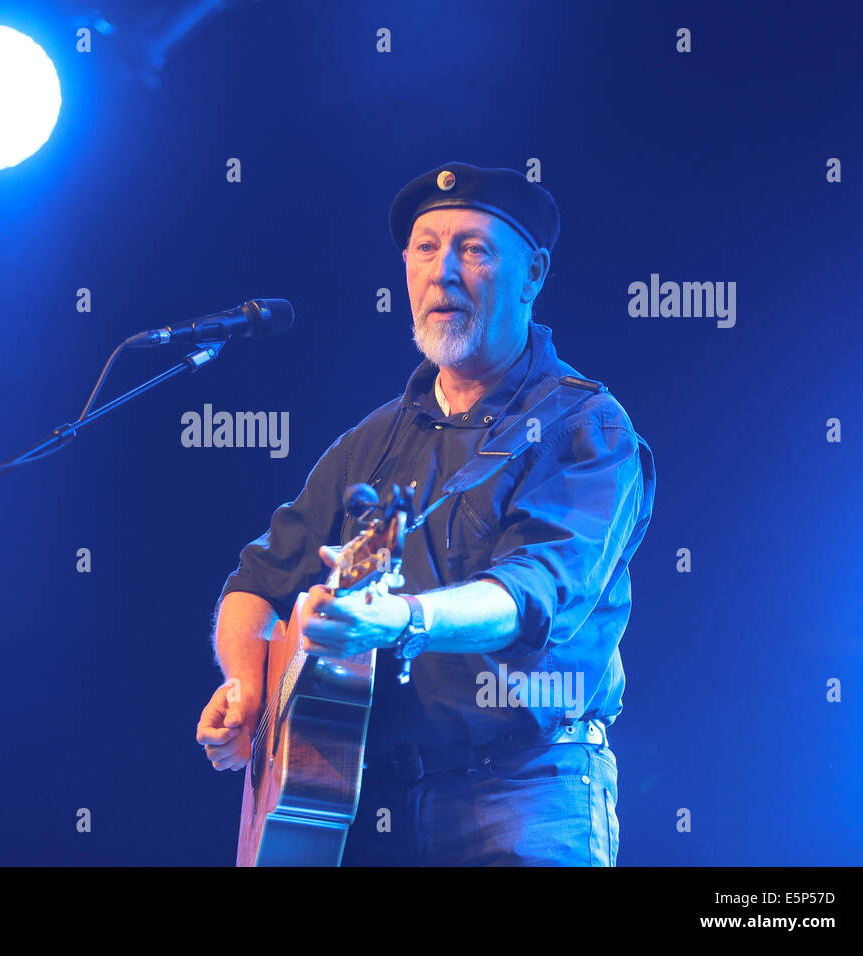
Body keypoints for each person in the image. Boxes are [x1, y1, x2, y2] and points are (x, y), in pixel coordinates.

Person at [195, 162, 656, 865]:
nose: (443, 271)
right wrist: (247, 687)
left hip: (526, 791)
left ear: (531, 275)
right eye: (425, 248)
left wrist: (402, 620)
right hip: (368, 803)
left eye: (473, 249)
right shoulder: (372, 440)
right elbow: (255, 582)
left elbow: (533, 593)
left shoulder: (586, 425)